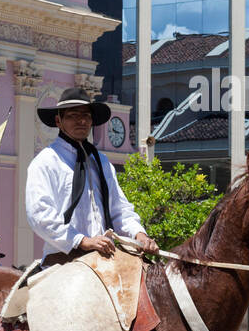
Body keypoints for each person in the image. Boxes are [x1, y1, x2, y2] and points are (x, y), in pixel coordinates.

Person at [25, 88, 159, 265]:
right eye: (73, 115)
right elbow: (40, 214)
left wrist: (139, 234)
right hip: (63, 260)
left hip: (105, 258)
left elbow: (119, 209)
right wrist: (82, 240)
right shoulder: (46, 162)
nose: (81, 120)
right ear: (59, 121)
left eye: (86, 116)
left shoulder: (101, 162)